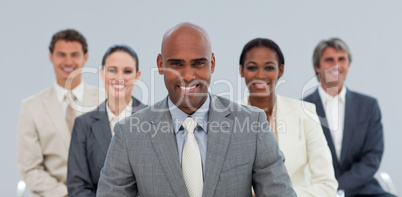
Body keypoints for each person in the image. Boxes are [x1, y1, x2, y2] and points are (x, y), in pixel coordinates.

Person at [97, 22, 296, 197]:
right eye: (176, 64)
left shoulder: (253, 124)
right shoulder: (129, 133)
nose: (188, 75)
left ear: (212, 63)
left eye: (198, 63)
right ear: (160, 64)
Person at [238, 38, 338, 196]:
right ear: (241, 71)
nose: (260, 75)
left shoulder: (306, 113)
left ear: (281, 70)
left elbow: (327, 186)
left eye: (269, 67)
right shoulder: (227, 118)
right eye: (252, 67)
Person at [17, 29, 105, 197]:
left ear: (85, 57)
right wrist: (67, 194)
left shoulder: (105, 100)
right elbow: (30, 168)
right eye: (61, 55)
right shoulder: (31, 107)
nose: (68, 61)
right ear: (51, 57)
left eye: (74, 54)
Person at [304, 38, 394, 197]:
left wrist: (339, 187)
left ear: (348, 65)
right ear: (318, 66)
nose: (336, 65)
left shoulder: (368, 106)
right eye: (329, 59)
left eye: (341, 59)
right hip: (315, 191)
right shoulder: (302, 108)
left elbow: (372, 157)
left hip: (361, 188)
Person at [67, 44, 146, 196]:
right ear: (102, 73)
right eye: (112, 70)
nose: (119, 78)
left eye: (127, 71)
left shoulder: (152, 121)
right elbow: (78, 187)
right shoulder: (83, 125)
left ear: (137, 75)